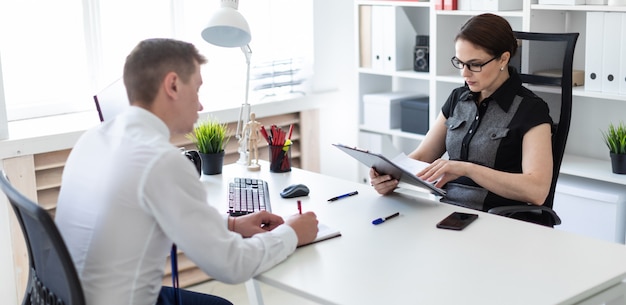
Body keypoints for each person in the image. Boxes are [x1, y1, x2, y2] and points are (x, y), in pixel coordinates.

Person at [55, 38, 319, 305]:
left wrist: (232, 224)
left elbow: (164, 212)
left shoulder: (91, 140)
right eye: (197, 88)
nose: (200, 105)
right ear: (173, 85)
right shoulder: (160, 161)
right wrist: (293, 233)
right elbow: (232, 265)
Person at [370, 13, 554, 222]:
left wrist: (467, 169)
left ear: (503, 58)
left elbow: (537, 190)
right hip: (446, 212)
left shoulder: (531, 109)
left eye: (475, 64)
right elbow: (423, 156)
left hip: (498, 220)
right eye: (460, 63)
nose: (464, 74)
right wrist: (389, 175)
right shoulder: (458, 98)